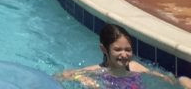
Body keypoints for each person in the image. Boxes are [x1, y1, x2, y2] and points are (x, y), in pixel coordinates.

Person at [55, 23, 191, 88]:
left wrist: (178, 80)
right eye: (118, 49)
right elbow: (60, 77)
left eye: (128, 50)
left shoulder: (134, 67)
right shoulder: (95, 72)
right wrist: (82, 78)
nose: (124, 54)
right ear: (104, 49)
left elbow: (169, 79)